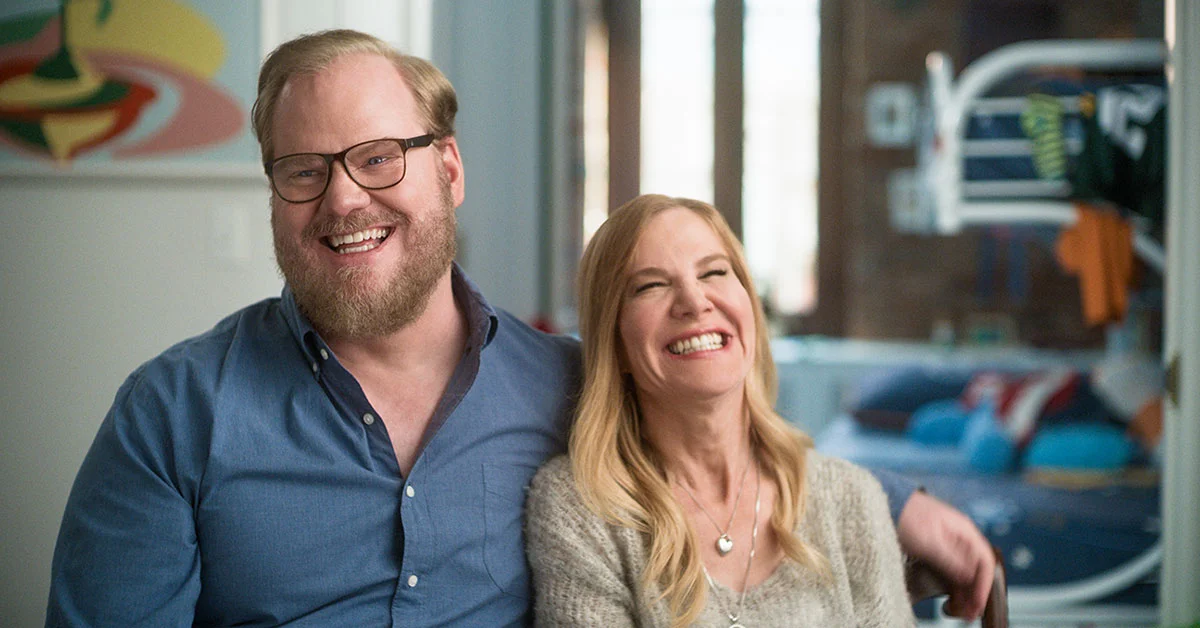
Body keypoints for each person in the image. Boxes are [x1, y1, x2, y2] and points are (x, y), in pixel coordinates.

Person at [46, 29, 992, 627]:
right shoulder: (172, 415)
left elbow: (711, 426)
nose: (343, 199)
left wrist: (893, 497)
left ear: (449, 171)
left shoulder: (570, 388)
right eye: (303, 170)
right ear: (276, 197)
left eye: (379, 158)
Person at [526, 194, 904, 626]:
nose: (694, 300)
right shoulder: (580, 511)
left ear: (749, 308)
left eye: (714, 272)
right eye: (651, 285)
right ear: (616, 344)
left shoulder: (851, 500)